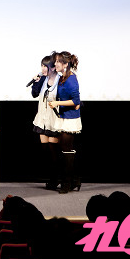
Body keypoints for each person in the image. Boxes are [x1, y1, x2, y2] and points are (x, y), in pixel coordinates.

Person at [48, 51, 82, 193]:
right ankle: (74, 180)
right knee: (64, 149)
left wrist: (57, 103)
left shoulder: (71, 79)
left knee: (66, 150)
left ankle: (67, 183)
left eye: (58, 62)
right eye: (55, 61)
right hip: (63, 116)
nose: (55, 64)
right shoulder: (63, 77)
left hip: (70, 119)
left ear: (66, 64)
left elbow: (76, 101)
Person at [31, 53, 60, 190]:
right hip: (42, 119)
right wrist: (36, 82)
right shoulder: (43, 79)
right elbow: (34, 94)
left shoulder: (60, 80)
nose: (42, 69)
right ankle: (51, 178)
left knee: (53, 150)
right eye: (41, 66)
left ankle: (56, 180)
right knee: (45, 151)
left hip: (54, 120)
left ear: (53, 68)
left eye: (45, 66)